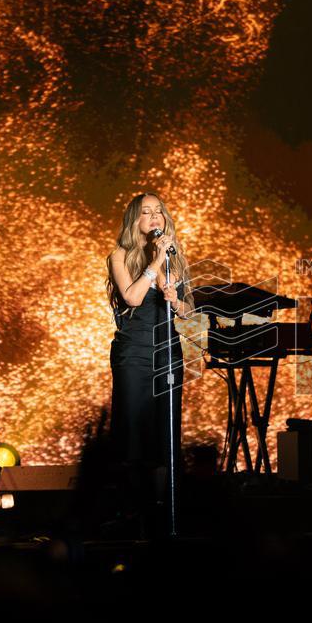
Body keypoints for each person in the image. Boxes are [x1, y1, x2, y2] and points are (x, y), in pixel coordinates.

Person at [106, 192, 194, 513]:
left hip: (168, 352)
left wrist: (175, 299)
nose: (155, 216)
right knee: (133, 434)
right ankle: (131, 512)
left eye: (159, 211)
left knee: (164, 436)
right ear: (136, 220)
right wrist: (155, 264)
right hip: (134, 353)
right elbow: (132, 297)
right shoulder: (121, 255)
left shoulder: (175, 257)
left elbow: (187, 311)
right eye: (146, 212)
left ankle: (164, 510)